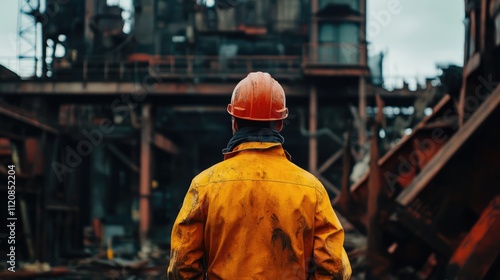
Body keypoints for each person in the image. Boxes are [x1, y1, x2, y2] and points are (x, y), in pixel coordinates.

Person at [167, 72, 351, 279]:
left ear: (234, 122)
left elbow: (182, 265)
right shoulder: (311, 189)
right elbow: (334, 267)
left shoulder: (204, 186)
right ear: (280, 124)